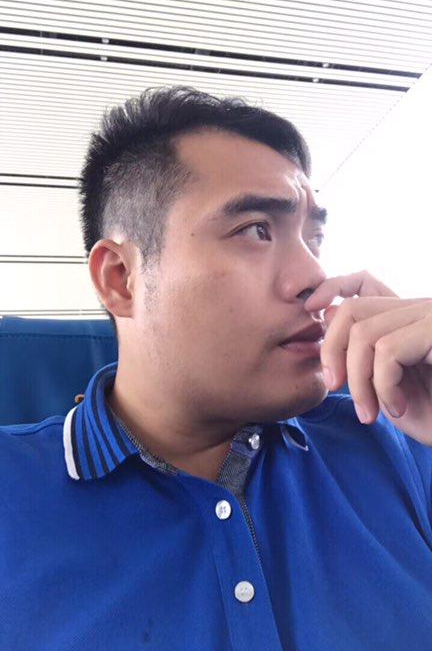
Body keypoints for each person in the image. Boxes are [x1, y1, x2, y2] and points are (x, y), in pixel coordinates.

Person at [1, 86, 431, 651]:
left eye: (314, 238)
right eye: (256, 230)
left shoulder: (398, 440)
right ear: (121, 279)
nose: (314, 277)